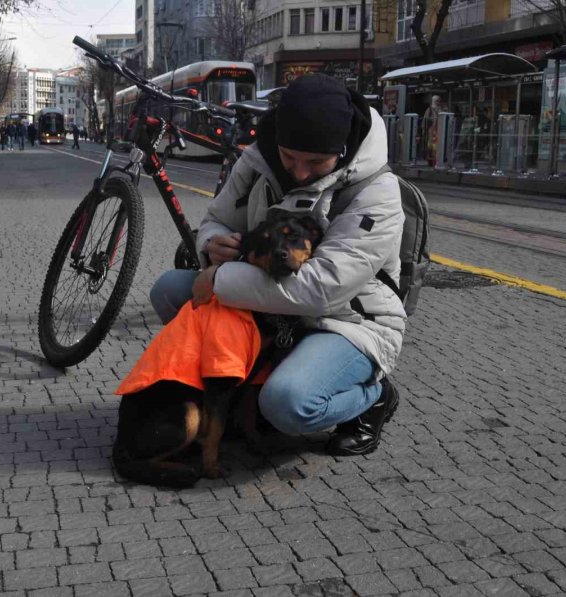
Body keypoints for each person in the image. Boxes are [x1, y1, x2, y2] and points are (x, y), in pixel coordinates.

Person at [150, 74, 406, 456]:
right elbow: (216, 220)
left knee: (288, 404)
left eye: (315, 162)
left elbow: (321, 290)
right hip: (271, 309)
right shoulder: (257, 160)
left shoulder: (376, 192)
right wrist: (211, 244)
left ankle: (374, 397)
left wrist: (220, 276)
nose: (299, 172)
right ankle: (234, 393)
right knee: (169, 291)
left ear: (342, 149)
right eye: (289, 157)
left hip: (348, 321)